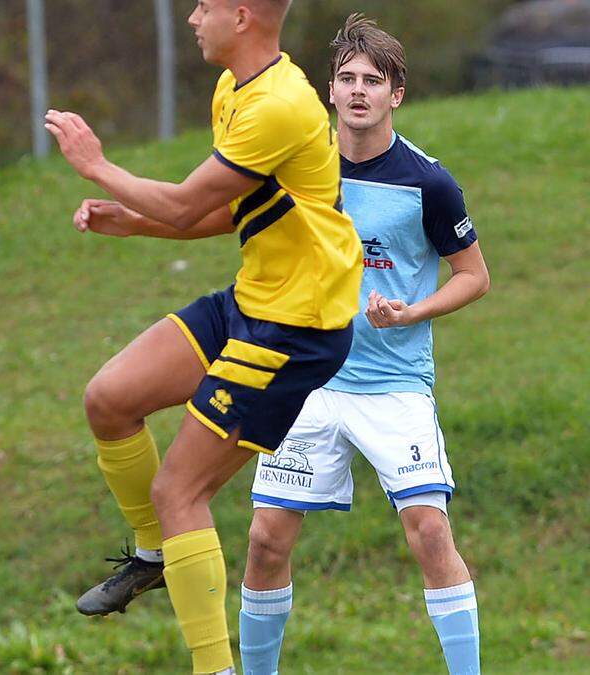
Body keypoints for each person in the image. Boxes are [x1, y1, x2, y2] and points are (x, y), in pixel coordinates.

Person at [43, 0, 361, 671]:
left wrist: (99, 166)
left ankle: (214, 667)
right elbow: (222, 209)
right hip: (256, 299)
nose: (191, 16)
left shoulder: (281, 104)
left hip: (296, 327)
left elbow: (189, 200)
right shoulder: (236, 89)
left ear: (242, 16)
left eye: (204, 6)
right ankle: (155, 552)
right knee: (110, 397)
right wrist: (132, 220)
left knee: (179, 491)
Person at [239, 15, 489, 675]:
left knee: (431, 532)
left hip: (394, 386)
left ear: (395, 93)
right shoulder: (301, 168)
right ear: (329, 90)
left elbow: (475, 276)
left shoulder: (428, 183)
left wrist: (411, 312)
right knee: (265, 540)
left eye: (372, 81)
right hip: (307, 381)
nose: (358, 91)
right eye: (347, 78)